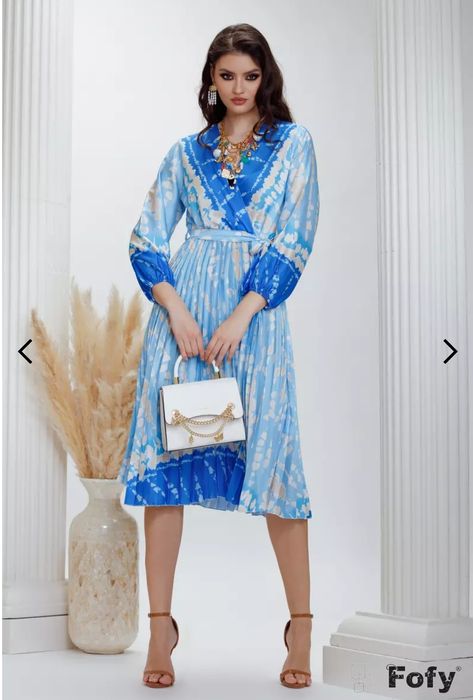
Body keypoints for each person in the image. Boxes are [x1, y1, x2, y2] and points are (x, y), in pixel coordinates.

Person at [118, 22, 320, 690]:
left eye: (250, 76)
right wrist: (176, 311)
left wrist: (243, 311)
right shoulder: (185, 153)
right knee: (165, 466)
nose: (239, 88)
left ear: (267, 79)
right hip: (184, 329)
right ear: (211, 78)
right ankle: (160, 631)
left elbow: (295, 236)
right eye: (227, 75)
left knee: (276, 466)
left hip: (252, 322)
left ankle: (300, 629)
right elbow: (146, 238)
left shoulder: (294, 144)